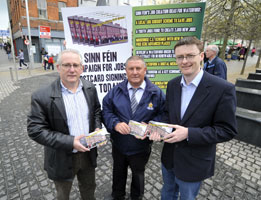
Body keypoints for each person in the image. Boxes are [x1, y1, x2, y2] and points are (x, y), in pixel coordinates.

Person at [149, 37, 238, 200]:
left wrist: (189, 133)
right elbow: (168, 114)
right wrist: (156, 129)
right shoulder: (173, 85)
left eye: (190, 55)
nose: (184, 61)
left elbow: (227, 130)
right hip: (169, 157)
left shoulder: (223, 89)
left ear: (201, 56)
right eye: (179, 57)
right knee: (168, 191)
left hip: (195, 161)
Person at [27, 49, 102, 200]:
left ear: (82, 68)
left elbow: (96, 111)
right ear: (58, 67)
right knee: (63, 195)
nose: (72, 70)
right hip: (61, 157)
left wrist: (97, 127)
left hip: (88, 153)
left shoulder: (90, 88)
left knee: (89, 189)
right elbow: (35, 129)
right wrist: (70, 142)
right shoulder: (42, 96)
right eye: (67, 65)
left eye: (75, 65)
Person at [102, 55, 165, 200]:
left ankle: (137, 196)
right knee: (118, 172)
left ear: (145, 70)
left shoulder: (156, 93)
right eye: (131, 68)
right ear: (126, 70)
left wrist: (152, 126)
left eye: (138, 68)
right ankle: (117, 195)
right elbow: (106, 110)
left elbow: (164, 114)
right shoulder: (115, 91)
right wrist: (115, 123)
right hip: (119, 144)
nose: (135, 72)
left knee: (138, 174)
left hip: (141, 146)